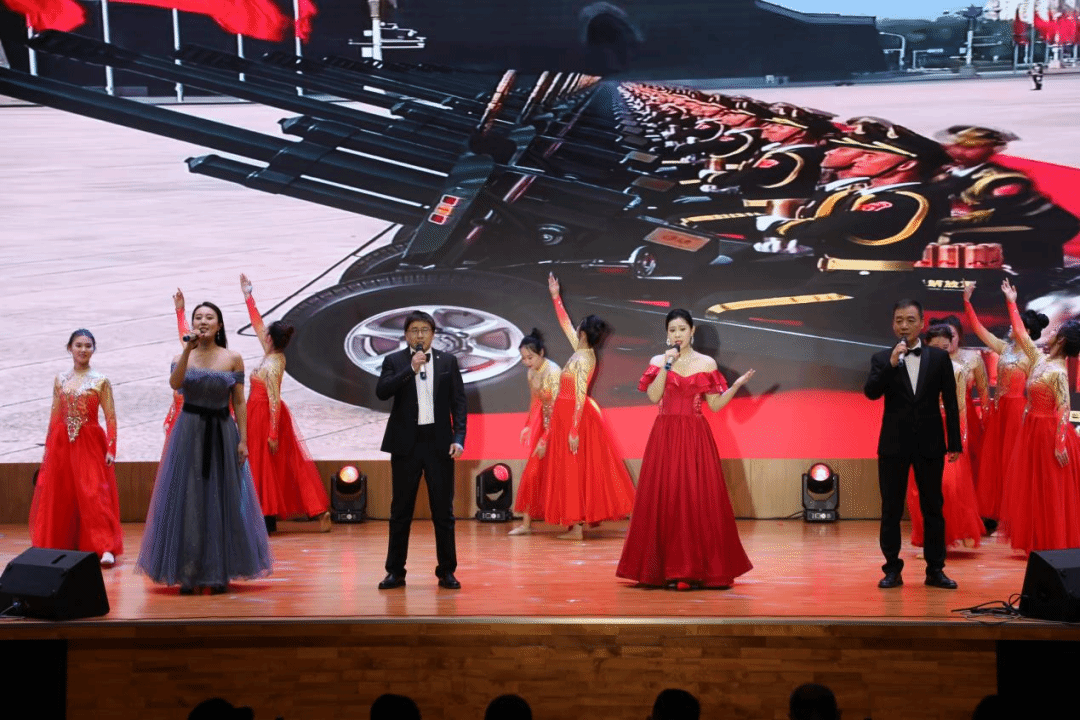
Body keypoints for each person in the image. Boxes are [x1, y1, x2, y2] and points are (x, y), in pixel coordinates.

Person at [136, 301, 273, 594]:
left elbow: (239, 401)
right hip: (189, 433)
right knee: (189, 501)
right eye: (198, 317)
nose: (203, 321)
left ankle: (218, 572)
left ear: (219, 325)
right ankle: (188, 572)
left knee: (221, 499)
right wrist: (188, 350)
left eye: (209, 317)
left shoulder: (232, 357)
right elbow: (175, 384)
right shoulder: (182, 356)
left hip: (222, 431)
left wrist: (243, 440)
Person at [616, 309, 754, 589]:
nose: (677, 334)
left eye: (682, 329)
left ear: (692, 331)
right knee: (665, 498)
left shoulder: (706, 363)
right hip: (665, 435)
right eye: (672, 330)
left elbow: (715, 405)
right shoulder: (658, 361)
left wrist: (736, 386)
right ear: (667, 334)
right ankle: (663, 569)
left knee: (694, 499)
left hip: (695, 436)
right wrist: (667, 366)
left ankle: (693, 570)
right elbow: (654, 395)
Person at [524, 273, 636, 540]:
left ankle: (576, 528)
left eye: (579, 327)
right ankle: (573, 525)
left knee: (573, 468)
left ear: (583, 333)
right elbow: (565, 323)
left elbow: (580, 394)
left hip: (575, 415)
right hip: (565, 414)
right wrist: (555, 297)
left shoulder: (585, 359)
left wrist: (574, 429)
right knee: (568, 469)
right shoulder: (580, 350)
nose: (575, 329)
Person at [864, 299, 961, 590]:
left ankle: (935, 570)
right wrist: (892, 364)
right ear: (893, 324)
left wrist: (954, 442)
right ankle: (892, 569)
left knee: (933, 507)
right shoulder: (882, 359)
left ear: (921, 323)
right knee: (891, 509)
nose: (904, 326)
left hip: (930, 443)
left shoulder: (939, 358)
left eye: (909, 320)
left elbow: (951, 402)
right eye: (899, 320)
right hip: (893, 444)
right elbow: (871, 392)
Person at [375, 310, 467, 590]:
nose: (419, 335)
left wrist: (459, 437)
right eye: (414, 330)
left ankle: (446, 571)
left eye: (424, 330)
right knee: (400, 511)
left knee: (444, 512)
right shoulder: (394, 361)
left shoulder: (448, 361)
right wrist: (410, 369)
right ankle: (395, 572)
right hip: (406, 445)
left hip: (439, 444)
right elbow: (382, 391)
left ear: (433, 334)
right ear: (406, 335)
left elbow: (459, 403)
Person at [239, 274, 330, 530]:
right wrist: (248, 296)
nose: (262, 333)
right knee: (265, 466)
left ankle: (268, 517)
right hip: (257, 414)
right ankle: (263, 515)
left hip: (266, 417)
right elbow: (257, 324)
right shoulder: (271, 353)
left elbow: (274, 400)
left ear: (270, 338)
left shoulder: (273, 363)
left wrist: (273, 433)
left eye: (265, 334)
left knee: (267, 466)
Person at [997, 279, 1080, 553]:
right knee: (1032, 487)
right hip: (1032, 428)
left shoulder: (1058, 372)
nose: (1051, 332)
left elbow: (1064, 408)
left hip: (1048, 433)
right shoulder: (1040, 359)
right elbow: (1022, 336)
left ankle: (1050, 544)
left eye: (1055, 331)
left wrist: (1059, 444)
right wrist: (1011, 302)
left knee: (1048, 489)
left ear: (1062, 340)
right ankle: (1036, 540)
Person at [29, 329, 123, 567]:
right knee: (61, 493)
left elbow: (110, 417)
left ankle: (104, 546)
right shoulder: (60, 379)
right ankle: (59, 542)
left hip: (90, 441)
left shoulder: (101, 380)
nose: (83, 350)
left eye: (88, 345)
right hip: (62, 442)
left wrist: (111, 447)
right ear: (69, 348)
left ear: (94, 349)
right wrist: (48, 446)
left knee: (94, 493)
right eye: (78, 345)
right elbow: (55, 414)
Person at [932, 125, 1078, 270]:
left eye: (969, 147)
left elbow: (992, 216)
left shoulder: (1004, 179)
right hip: (988, 235)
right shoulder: (943, 176)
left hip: (1029, 239)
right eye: (955, 145)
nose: (958, 151)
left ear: (991, 149)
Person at [963, 281, 1043, 528]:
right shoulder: (1004, 348)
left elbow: (1017, 327)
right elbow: (979, 330)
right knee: (993, 463)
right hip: (999, 413)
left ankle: (1016, 514)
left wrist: (1011, 303)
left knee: (1013, 463)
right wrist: (967, 302)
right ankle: (992, 513)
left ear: (1026, 331)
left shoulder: (1033, 355)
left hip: (1017, 413)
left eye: (1016, 326)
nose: (1011, 327)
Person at [905, 325, 984, 552]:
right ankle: (929, 541)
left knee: (948, 486)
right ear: (926, 345)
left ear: (951, 346)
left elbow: (959, 409)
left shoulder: (957, 370)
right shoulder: (914, 368)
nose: (941, 351)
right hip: (921, 430)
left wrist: (960, 440)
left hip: (947, 433)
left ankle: (950, 535)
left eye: (945, 347)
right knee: (918, 489)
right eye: (935, 347)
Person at [508, 328, 561, 535]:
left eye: (530, 357)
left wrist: (546, 438)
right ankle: (526, 524)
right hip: (543, 424)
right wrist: (528, 425)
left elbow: (558, 409)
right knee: (532, 473)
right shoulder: (531, 372)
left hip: (558, 426)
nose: (527, 362)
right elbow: (535, 401)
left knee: (559, 474)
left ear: (541, 353)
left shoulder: (553, 371)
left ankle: (570, 522)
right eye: (523, 358)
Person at [931, 315, 990, 488]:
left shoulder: (973, 358)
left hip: (967, 417)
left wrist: (986, 423)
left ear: (960, 336)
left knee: (968, 462)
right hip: (937, 416)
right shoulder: (933, 359)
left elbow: (984, 393)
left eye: (952, 335)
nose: (948, 340)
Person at [163, 288, 192, 436]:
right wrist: (180, 310)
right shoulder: (186, 355)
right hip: (178, 422)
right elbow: (184, 333)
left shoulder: (216, 364)